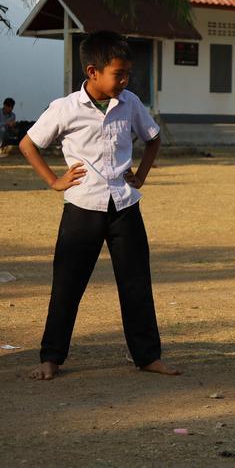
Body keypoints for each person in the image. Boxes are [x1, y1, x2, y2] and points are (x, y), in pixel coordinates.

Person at [18, 31, 179, 380]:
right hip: (83, 207)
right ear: (92, 71)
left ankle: (148, 356)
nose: (125, 81)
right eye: (118, 74)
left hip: (124, 205)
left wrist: (141, 175)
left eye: (127, 74)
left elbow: (153, 139)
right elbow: (28, 144)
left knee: (136, 284)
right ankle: (51, 358)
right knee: (67, 284)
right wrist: (54, 180)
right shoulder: (65, 108)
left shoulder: (131, 103)